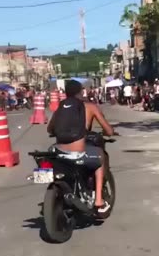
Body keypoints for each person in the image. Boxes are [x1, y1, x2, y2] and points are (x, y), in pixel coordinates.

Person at [47, 78, 115, 214]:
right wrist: (109, 133)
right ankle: (98, 200)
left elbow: (50, 129)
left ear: (65, 93)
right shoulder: (90, 106)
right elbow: (108, 130)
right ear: (80, 92)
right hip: (79, 148)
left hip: (59, 150)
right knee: (100, 158)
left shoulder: (61, 107)